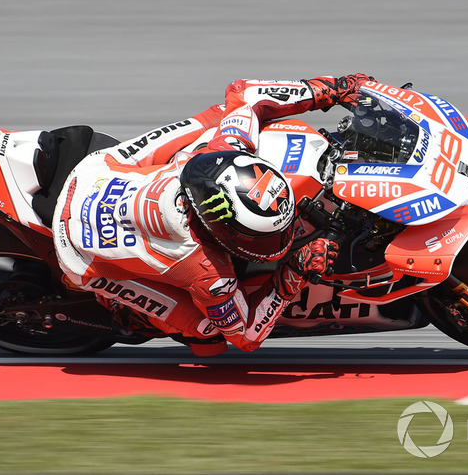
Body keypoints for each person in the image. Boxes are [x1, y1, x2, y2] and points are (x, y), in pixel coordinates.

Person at [52, 73, 374, 355]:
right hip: (78, 250)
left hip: (95, 173)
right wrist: (294, 272)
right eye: (261, 236)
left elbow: (245, 93)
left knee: (222, 115)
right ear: (221, 234)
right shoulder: (210, 275)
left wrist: (333, 89)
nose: (281, 237)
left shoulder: (224, 151)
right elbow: (246, 337)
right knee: (208, 333)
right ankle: (125, 309)